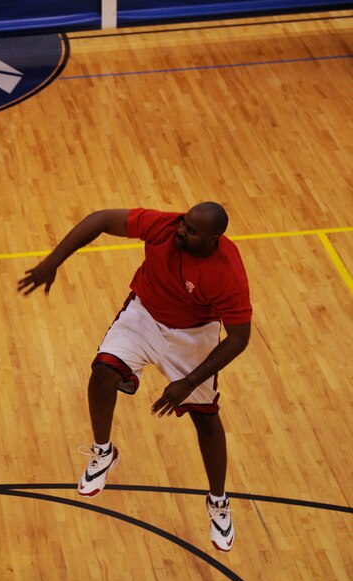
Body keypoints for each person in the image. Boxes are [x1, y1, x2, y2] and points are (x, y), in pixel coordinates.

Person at [18, 202, 251, 553]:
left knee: (206, 420)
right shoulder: (165, 227)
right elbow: (99, 219)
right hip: (145, 314)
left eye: (191, 230)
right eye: (184, 223)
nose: (181, 231)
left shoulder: (226, 274)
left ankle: (218, 501)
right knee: (102, 372)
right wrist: (53, 261)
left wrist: (188, 382)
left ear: (213, 239)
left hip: (194, 334)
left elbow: (239, 338)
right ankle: (103, 452)